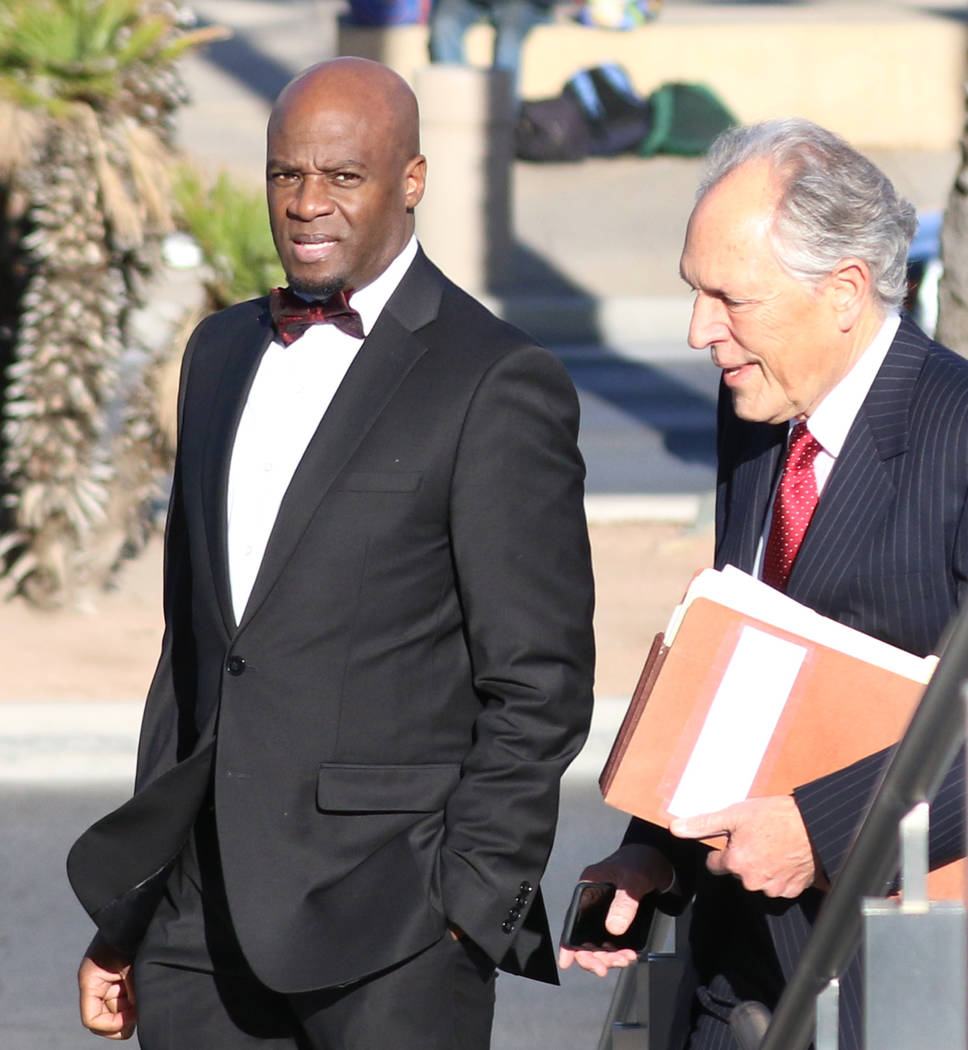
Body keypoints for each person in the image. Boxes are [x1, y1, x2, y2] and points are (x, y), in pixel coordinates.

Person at [68, 57, 595, 1050]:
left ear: (411, 180)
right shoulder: (218, 353)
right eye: (285, 174)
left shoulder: (495, 380)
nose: (307, 203)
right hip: (197, 934)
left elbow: (539, 681)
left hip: (395, 938)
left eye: (343, 176)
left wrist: (467, 909)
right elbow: (194, 661)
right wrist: (134, 909)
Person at [559, 117, 968, 1050]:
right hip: (728, 985)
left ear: (845, 293)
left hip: (890, 991)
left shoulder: (956, 432)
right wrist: (653, 849)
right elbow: (737, 650)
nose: (703, 331)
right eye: (693, 293)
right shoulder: (756, 403)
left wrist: (820, 831)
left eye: (730, 298)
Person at [428, 0, 553, 99]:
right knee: (445, 25)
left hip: (521, 4)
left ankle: (504, 117)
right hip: (471, 3)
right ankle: (458, 107)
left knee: (508, 40)